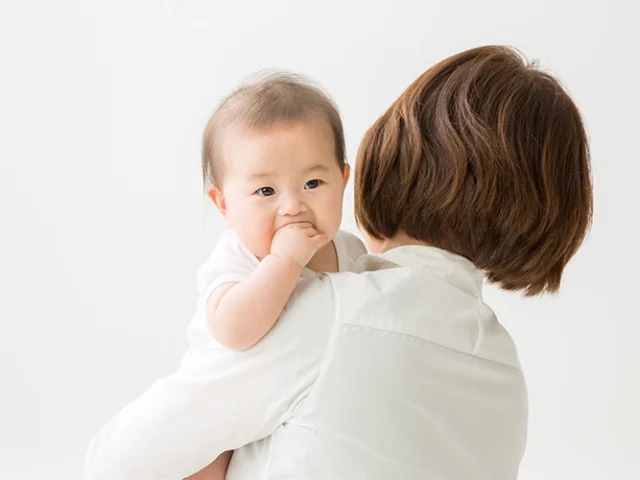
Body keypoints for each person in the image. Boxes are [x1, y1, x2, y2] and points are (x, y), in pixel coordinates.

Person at [85, 45, 592, 480]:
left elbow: (118, 460)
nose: (293, 205)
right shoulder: (506, 375)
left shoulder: (326, 312)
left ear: (391, 164)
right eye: (266, 189)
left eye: (313, 181)